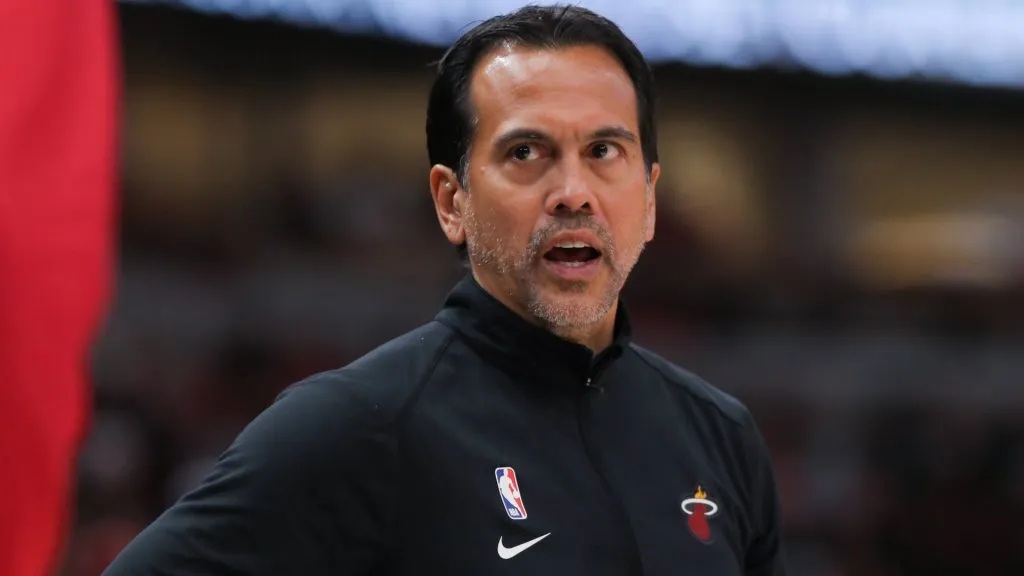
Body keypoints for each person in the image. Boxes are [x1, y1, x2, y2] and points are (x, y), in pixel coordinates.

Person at [103, 5, 786, 575]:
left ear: (650, 199)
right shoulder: (355, 425)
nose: (573, 193)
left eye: (604, 153)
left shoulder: (720, 435)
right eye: (526, 153)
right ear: (451, 202)